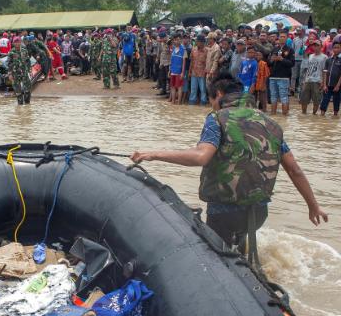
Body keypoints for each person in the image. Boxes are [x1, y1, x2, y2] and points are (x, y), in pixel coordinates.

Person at [130, 73, 328, 254]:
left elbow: (201, 156)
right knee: (240, 253)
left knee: (220, 258)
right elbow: (294, 169)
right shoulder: (270, 123)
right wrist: (313, 206)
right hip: (259, 212)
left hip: (224, 212)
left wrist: (154, 154)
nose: (212, 105)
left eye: (211, 101)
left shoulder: (217, 118)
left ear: (218, 95)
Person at [269, 32, 295, 115]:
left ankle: (285, 116)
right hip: (273, 76)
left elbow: (292, 63)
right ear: (278, 38)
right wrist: (272, 60)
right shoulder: (274, 49)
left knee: (284, 96)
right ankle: (273, 115)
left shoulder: (290, 49)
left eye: (284, 37)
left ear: (287, 38)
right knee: (273, 96)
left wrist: (282, 59)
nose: (282, 38)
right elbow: (269, 63)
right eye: (281, 36)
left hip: (284, 77)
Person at [300, 40, 327, 114]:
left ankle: (314, 114)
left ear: (321, 47)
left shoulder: (324, 57)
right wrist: (304, 80)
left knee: (316, 101)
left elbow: (325, 71)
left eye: (317, 45)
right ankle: (304, 114)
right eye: (314, 45)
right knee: (303, 100)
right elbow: (308, 69)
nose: (315, 47)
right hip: (308, 80)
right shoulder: (311, 56)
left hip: (317, 81)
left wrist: (323, 83)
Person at [8, 37, 32, 105]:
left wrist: (30, 70)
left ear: (20, 42)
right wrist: (10, 74)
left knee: (27, 88)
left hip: (24, 72)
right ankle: (20, 104)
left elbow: (28, 61)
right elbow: (9, 63)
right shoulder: (11, 52)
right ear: (13, 43)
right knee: (17, 90)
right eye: (16, 42)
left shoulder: (24, 51)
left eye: (18, 42)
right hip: (15, 73)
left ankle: (27, 104)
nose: (17, 43)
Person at [320, 42, 341, 116]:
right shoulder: (328, 60)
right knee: (324, 102)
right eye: (335, 47)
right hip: (328, 85)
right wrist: (324, 85)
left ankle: (335, 116)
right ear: (332, 49)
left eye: (338, 47)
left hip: (337, 86)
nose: (336, 49)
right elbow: (325, 72)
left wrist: (338, 86)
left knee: (336, 103)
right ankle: (321, 117)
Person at [189, 34, 208, 105]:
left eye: (199, 42)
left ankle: (203, 102)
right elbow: (191, 61)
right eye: (197, 41)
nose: (197, 43)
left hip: (203, 73)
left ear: (203, 42)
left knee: (203, 90)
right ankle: (192, 102)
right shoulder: (193, 49)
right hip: (194, 72)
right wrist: (190, 72)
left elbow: (208, 63)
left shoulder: (207, 51)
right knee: (193, 89)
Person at [169, 33, 186, 104]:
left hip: (179, 72)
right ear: (173, 41)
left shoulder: (183, 49)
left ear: (181, 40)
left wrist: (182, 72)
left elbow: (184, 62)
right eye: (175, 40)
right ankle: (173, 102)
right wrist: (169, 70)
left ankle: (178, 102)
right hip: (173, 70)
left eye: (178, 40)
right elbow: (171, 60)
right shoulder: (173, 48)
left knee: (179, 87)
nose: (177, 41)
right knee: (172, 87)